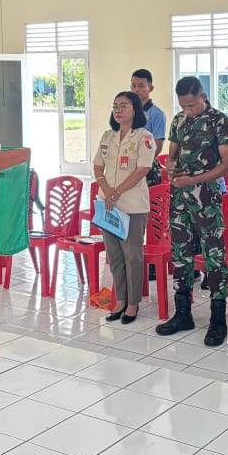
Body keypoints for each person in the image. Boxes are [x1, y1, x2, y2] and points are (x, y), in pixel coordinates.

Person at [155, 76, 228, 346]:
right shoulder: (178, 121)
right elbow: (173, 154)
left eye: (191, 105)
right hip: (179, 197)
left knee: (214, 257)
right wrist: (171, 168)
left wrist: (195, 179)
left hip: (206, 198)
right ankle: (183, 313)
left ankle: (217, 319)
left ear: (203, 96)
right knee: (180, 255)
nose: (187, 110)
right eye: (183, 105)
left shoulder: (218, 120)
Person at [93, 92, 156, 324]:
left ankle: (133, 304)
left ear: (135, 110)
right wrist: (106, 190)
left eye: (124, 106)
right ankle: (119, 300)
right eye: (115, 106)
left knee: (132, 256)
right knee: (114, 256)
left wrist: (117, 191)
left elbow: (142, 169)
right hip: (108, 205)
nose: (118, 110)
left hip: (132, 206)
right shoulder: (108, 135)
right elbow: (98, 166)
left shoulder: (143, 136)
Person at [130, 69, 167, 186]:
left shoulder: (157, 114)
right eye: (133, 86)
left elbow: (157, 147)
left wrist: (139, 165)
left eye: (141, 86)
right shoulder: (127, 111)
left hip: (146, 169)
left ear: (150, 88)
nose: (136, 90)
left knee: (147, 203)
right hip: (126, 167)